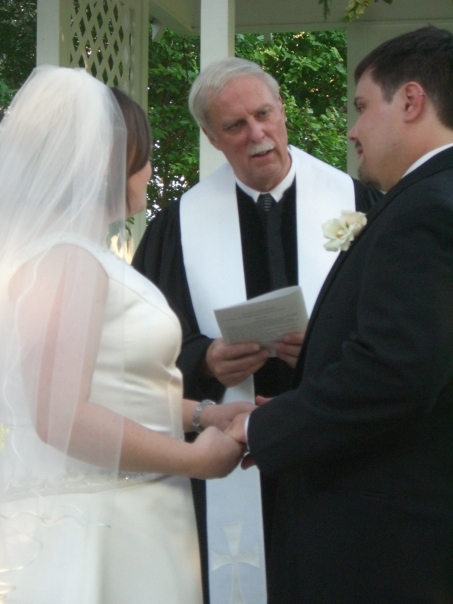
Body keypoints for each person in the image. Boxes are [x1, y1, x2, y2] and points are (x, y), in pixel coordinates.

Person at [132, 57, 381, 603]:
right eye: (235, 125)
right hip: (229, 446)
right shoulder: (178, 227)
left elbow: (393, 327)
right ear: (212, 137)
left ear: (282, 111)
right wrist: (204, 359)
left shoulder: (361, 207)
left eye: (263, 114)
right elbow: (143, 346)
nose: (256, 134)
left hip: (336, 448)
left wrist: (324, 347)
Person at [0, 66, 252, 604]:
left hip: (132, 512)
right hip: (101, 524)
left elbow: (113, 389)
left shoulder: (77, 258)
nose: (150, 169)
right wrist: (195, 460)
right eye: (145, 154)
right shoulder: (68, 262)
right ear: (111, 161)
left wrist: (204, 415)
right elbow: (60, 416)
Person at [226, 26, 453, 603]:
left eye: (362, 106)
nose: (352, 129)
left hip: (386, 543)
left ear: (410, 100)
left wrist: (261, 427)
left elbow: (394, 371)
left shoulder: (425, 208)